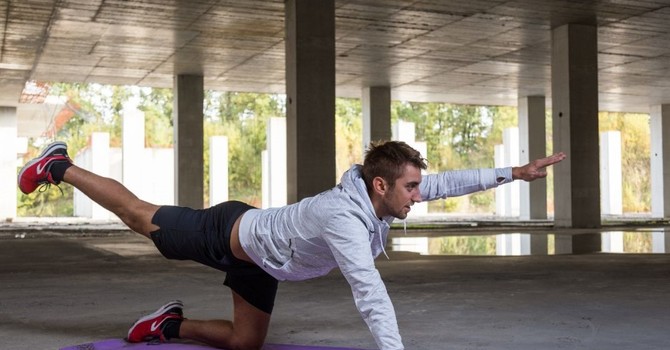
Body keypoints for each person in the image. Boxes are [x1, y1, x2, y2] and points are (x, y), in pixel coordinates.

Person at [17, 140, 565, 350]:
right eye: (411, 187)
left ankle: (168, 326)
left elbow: (445, 182)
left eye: (418, 186)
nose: (420, 195)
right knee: (140, 217)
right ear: (381, 186)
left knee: (245, 345)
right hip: (225, 235)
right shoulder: (343, 219)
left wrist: (514, 172)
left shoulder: (380, 199)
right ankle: (59, 165)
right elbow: (369, 293)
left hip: (264, 263)